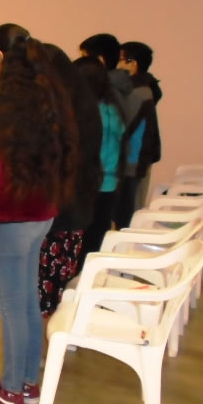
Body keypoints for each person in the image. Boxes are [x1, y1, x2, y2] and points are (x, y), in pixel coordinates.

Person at [0, 24, 78, 404]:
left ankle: (11, 391)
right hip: (41, 211)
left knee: (12, 305)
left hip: (13, 216)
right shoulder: (47, 92)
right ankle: (27, 382)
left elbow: (7, 168)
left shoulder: (14, 101)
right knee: (27, 300)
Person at [37, 45, 102, 317]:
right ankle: (52, 329)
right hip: (76, 207)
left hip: (58, 209)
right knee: (59, 281)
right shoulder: (87, 109)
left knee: (45, 287)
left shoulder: (62, 114)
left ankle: (46, 338)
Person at [79, 33, 159, 231]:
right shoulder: (128, 88)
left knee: (124, 219)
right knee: (113, 217)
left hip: (128, 164)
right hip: (122, 164)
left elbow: (122, 127)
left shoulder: (132, 91)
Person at [74, 57, 125, 271]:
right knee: (97, 238)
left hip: (89, 185)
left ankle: (80, 281)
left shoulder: (88, 113)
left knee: (84, 242)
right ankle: (91, 277)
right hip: (109, 184)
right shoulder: (113, 109)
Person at [118, 41, 162, 211]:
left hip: (132, 163)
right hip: (135, 161)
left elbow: (123, 127)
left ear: (133, 63)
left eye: (120, 59)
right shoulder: (142, 88)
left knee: (129, 214)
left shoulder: (137, 92)